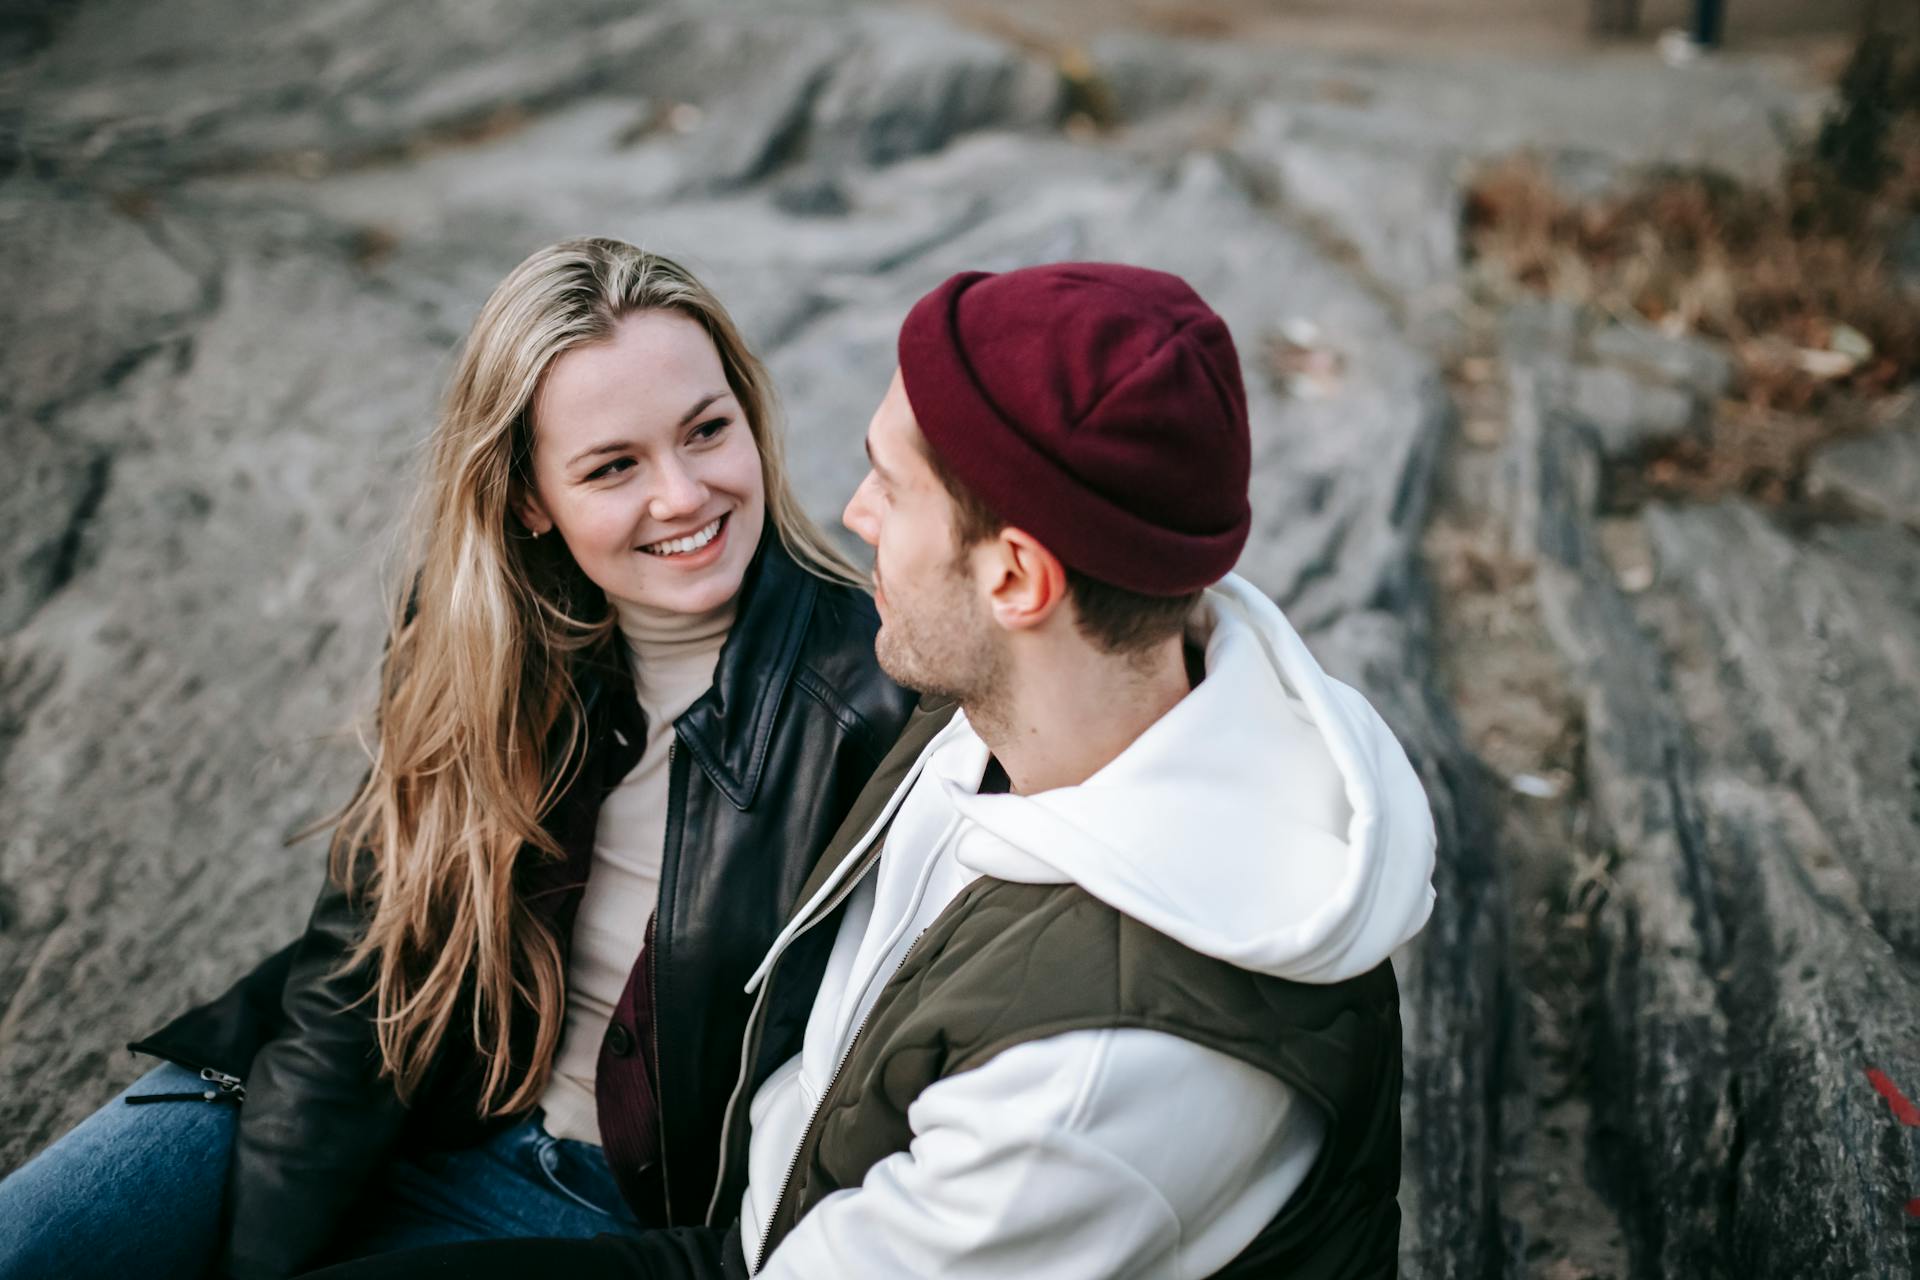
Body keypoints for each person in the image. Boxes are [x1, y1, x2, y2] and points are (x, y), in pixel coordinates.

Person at [309, 261, 1439, 1280]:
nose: (850, 517)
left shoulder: (1093, 1083)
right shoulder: (1026, 711)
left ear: (1015, 581)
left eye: (891, 489)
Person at [0, 238, 914, 1280]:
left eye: (707, 430)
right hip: (354, 1092)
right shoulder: (474, 634)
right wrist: (267, 1251)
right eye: (614, 465)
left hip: (601, 1206)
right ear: (530, 498)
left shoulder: (877, 693)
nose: (683, 494)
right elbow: (362, 967)